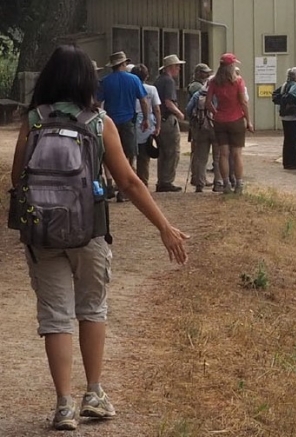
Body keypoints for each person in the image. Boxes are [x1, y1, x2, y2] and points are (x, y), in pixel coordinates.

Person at [11, 45, 188, 430]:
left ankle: (63, 405)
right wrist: (164, 227)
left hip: (41, 234)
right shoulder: (98, 122)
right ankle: (94, 392)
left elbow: (16, 180)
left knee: (55, 318)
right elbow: (128, 181)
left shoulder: (34, 120)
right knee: (91, 309)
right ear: (87, 80)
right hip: (88, 230)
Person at [95, 52, 150, 198]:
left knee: (108, 153)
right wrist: (146, 119)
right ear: (123, 64)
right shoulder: (134, 79)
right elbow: (143, 101)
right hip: (128, 121)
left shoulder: (105, 81)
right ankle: (123, 189)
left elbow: (97, 103)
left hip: (110, 122)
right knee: (128, 154)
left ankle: (109, 183)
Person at [201, 53, 254, 194]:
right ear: (231, 66)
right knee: (237, 154)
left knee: (223, 154)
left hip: (220, 120)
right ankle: (239, 184)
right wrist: (248, 121)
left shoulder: (214, 82)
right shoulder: (238, 81)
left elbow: (207, 102)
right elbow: (243, 102)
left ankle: (226, 185)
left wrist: (216, 112)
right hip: (236, 119)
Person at [152, 54, 185, 192]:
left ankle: (162, 180)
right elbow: (168, 102)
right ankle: (167, 181)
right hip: (167, 119)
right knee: (172, 151)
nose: (179, 69)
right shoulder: (169, 81)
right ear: (170, 67)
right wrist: (179, 113)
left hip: (159, 119)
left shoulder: (158, 80)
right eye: (177, 66)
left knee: (163, 151)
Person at [130, 64, 161, 187]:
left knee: (129, 156)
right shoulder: (151, 89)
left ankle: (131, 181)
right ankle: (143, 182)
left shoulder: (129, 88)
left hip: (131, 122)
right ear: (147, 76)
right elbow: (157, 109)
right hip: (146, 124)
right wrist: (158, 126)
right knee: (144, 157)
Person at [185, 63, 214, 192]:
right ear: (198, 73)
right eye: (204, 72)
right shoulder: (197, 87)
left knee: (198, 152)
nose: (207, 74)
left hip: (198, 122)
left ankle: (197, 178)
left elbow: (188, 109)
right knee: (199, 153)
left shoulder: (197, 86)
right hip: (203, 123)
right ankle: (197, 177)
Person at [277, 67, 296, 171]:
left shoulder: (285, 84)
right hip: (293, 116)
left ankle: (287, 162)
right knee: (293, 140)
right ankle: (293, 162)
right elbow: (292, 96)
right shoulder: (295, 86)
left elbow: (276, 95)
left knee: (287, 140)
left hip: (284, 116)